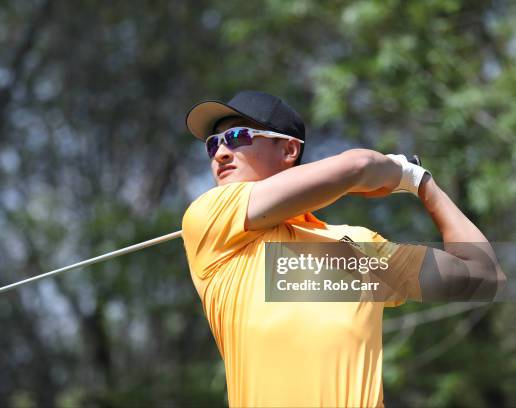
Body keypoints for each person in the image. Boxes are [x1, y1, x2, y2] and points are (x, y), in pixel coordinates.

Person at [181, 90, 505, 407]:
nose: (221, 153)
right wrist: (397, 171)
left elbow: (482, 276)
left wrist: (422, 184)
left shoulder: (355, 245)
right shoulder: (210, 219)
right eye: (214, 144)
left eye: (238, 137)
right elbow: (359, 165)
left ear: (289, 150)